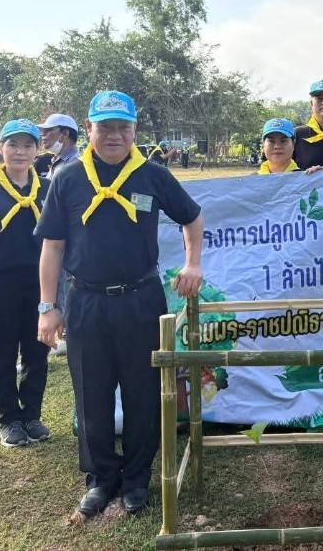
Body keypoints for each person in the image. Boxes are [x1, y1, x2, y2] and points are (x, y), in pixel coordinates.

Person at [35, 90, 203, 518]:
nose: (114, 135)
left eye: (122, 127)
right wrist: (47, 306)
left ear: (134, 129)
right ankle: (100, 478)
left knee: (142, 391)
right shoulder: (68, 179)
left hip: (141, 299)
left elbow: (191, 217)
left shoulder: (152, 175)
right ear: (88, 129)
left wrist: (193, 263)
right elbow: (52, 246)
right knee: (91, 391)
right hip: (85, 300)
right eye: (105, 127)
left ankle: (136, 478)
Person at [0, 120, 52, 449]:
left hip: (40, 281)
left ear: (36, 150)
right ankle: (8, 418)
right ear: (0, 147)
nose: (20, 152)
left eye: (28, 145)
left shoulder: (47, 188)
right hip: (1, 279)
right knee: (2, 351)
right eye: (13, 144)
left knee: (37, 350)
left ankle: (31, 414)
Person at [35, 113, 80, 178]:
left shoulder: (76, 165)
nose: (43, 134)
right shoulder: (56, 160)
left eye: (48, 130)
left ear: (65, 133)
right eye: (43, 131)